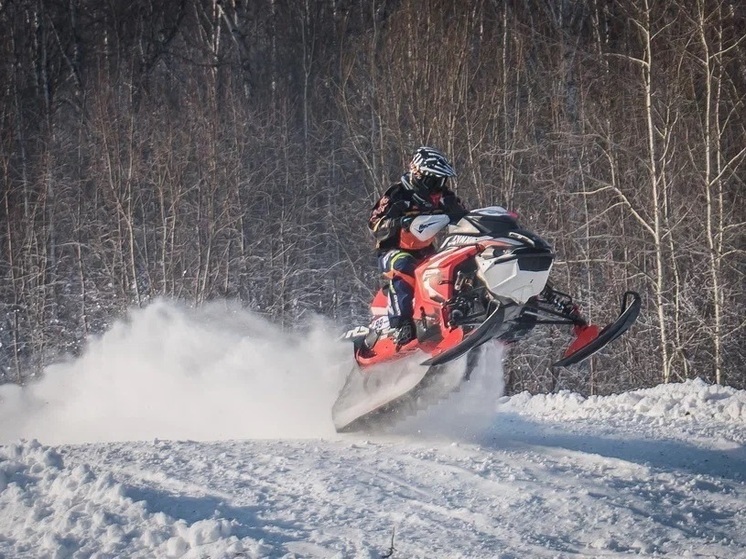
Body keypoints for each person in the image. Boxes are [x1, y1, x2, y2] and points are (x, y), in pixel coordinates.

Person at [369, 146, 468, 347]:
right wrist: (398, 222)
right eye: (433, 181)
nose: (438, 187)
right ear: (419, 175)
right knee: (404, 266)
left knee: (453, 269)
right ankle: (400, 324)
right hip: (394, 250)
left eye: (441, 181)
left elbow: (463, 215)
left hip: (426, 250)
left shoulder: (443, 196)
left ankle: (457, 314)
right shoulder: (398, 194)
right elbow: (374, 223)